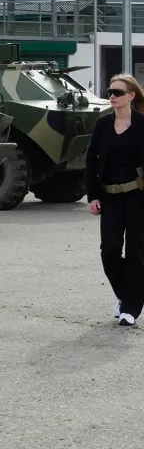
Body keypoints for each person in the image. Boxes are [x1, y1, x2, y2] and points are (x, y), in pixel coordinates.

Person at [86, 74, 144, 326]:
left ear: (131, 96)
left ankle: (131, 308)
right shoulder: (102, 124)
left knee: (136, 252)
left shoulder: (143, 124)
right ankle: (125, 295)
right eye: (110, 91)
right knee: (109, 251)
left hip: (138, 196)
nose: (112, 96)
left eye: (118, 92)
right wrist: (92, 196)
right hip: (109, 197)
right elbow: (91, 161)